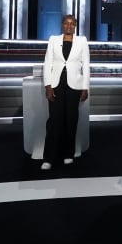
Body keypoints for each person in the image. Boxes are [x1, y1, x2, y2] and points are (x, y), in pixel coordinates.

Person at [41, 14, 90, 170]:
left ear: (75, 26)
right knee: (55, 121)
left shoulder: (82, 41)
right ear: (62, 25)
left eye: (72, 24)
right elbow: (47, 63)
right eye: (66, 23)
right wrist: (48, 86)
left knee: (71, 120)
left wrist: (85, 87)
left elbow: (86, 66)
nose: (69, 26)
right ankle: (49, 158)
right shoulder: (53, 40)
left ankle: (68, 154)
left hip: (74, 86)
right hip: (56, 85)